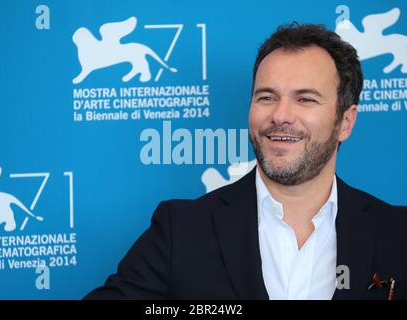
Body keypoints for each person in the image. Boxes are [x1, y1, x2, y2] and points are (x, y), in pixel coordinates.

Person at [85, 23, 407, 300]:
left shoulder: (397, 233)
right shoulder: (180, 231)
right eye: (266, 97)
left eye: (305, 99)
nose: (280, 115)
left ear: (345, 122)